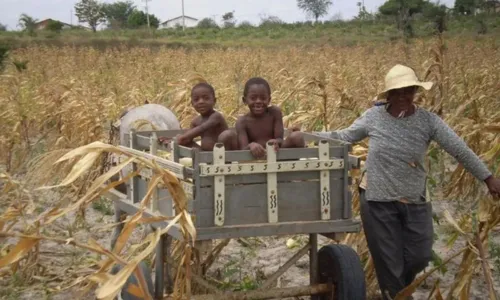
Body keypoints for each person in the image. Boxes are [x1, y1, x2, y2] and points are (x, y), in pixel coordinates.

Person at [313, 64, 500, 300]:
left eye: (408, 91)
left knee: (419, 256)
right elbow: (343, 137)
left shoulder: (428, 122)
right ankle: (398, 294)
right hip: (377, 201)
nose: (403, 97)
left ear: (415, 92)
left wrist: (488, 177)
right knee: (390, 263)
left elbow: (459, 149)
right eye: (397, 92)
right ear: (388, 95)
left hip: (415, 200)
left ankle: (398, 290)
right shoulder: (374, 117)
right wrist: (306, 137)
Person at [227, 77, 305, 158]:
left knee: (297, 136)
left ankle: (297, 168)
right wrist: (251, 145)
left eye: (263, 98)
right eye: (253, 98)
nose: (258, 101)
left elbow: (280, 139)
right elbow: (243, 149)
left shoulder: (275, 113)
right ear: (245, 100)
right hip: (254, 159)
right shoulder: (242, 122)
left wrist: (276, 142)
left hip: (276, 154)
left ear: (269, 100)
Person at [161, 82, 231, 151]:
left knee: (227, 135)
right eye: (196, 99)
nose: (201, 102)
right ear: (192, 103)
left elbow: (202, 128)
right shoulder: (195, 122)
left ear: (214, 101)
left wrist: (178, 139)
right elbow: (187, 138)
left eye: (206, 98)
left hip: (224, 155)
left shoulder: (216, 116)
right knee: (186, 142)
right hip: (205, 154)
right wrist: (172, 139)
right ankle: (200, 156)